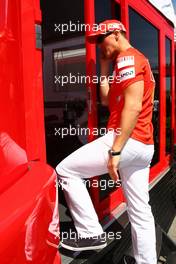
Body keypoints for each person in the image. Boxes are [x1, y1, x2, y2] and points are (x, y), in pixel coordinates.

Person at [47, 20, 157, 264]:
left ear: (117, 34)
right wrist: (105, 66)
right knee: (140, 211)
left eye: (101, 39)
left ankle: (90, 232)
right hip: (143, 145)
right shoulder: (132, 61)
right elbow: (107, 100)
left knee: (65, 170)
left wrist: (116, 151)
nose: (98, 46)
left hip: (124, 140)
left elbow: (133, 106)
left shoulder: (128, 59)